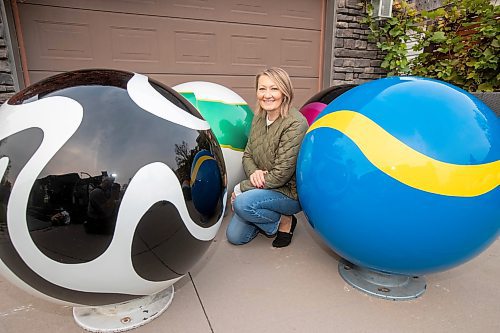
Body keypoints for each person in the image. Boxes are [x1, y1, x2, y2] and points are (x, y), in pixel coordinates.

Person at [226, 67, 308, 247]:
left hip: (287, 192)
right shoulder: (259, 118)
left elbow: (280, 175)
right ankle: (274, 220)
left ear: (285, 92)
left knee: (242, 203)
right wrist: (254, 172)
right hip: (261, 186)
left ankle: (286, 221)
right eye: (262, 88)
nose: (267, 95)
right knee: (235, 237)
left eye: (274, 88)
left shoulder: (295, 124)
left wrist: (242, 187)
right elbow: (247, 155)